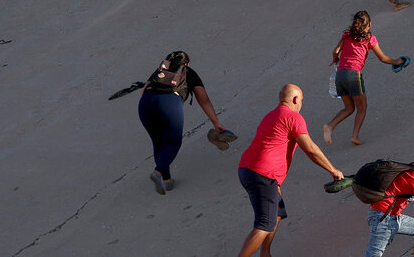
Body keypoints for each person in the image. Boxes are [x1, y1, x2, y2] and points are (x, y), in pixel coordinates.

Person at [237, 84, 343, 257]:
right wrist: (332, 169)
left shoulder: (271, 115)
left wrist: (276, 182)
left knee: (277, 213)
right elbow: (310, 149)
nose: (301, 104)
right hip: (262, 173)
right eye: (301, 101)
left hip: (249, 170)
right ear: (295, 99)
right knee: (264, 223)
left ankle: (266, 254)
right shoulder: (293, 117)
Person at [137, 51, 228, 195]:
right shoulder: (188, 72)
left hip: (146, 103)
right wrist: (216, 123)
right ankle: (158, 172)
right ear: (186, 64)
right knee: (173, 143)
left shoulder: (160, 71)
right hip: (169, 103)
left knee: (158, 142)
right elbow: (204, 100)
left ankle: (166, 181)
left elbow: (143, 91)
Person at [323, 10, 407, 146]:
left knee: (349, 108)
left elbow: (335, 51)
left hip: (340, 75)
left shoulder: (346, 35)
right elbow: (383, 58)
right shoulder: (370, 39)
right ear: (370, 25)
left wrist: (336, 59)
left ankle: (330, 125)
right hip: (354, 75)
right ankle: (354, 136)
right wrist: (397, 61)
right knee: (362, 107)